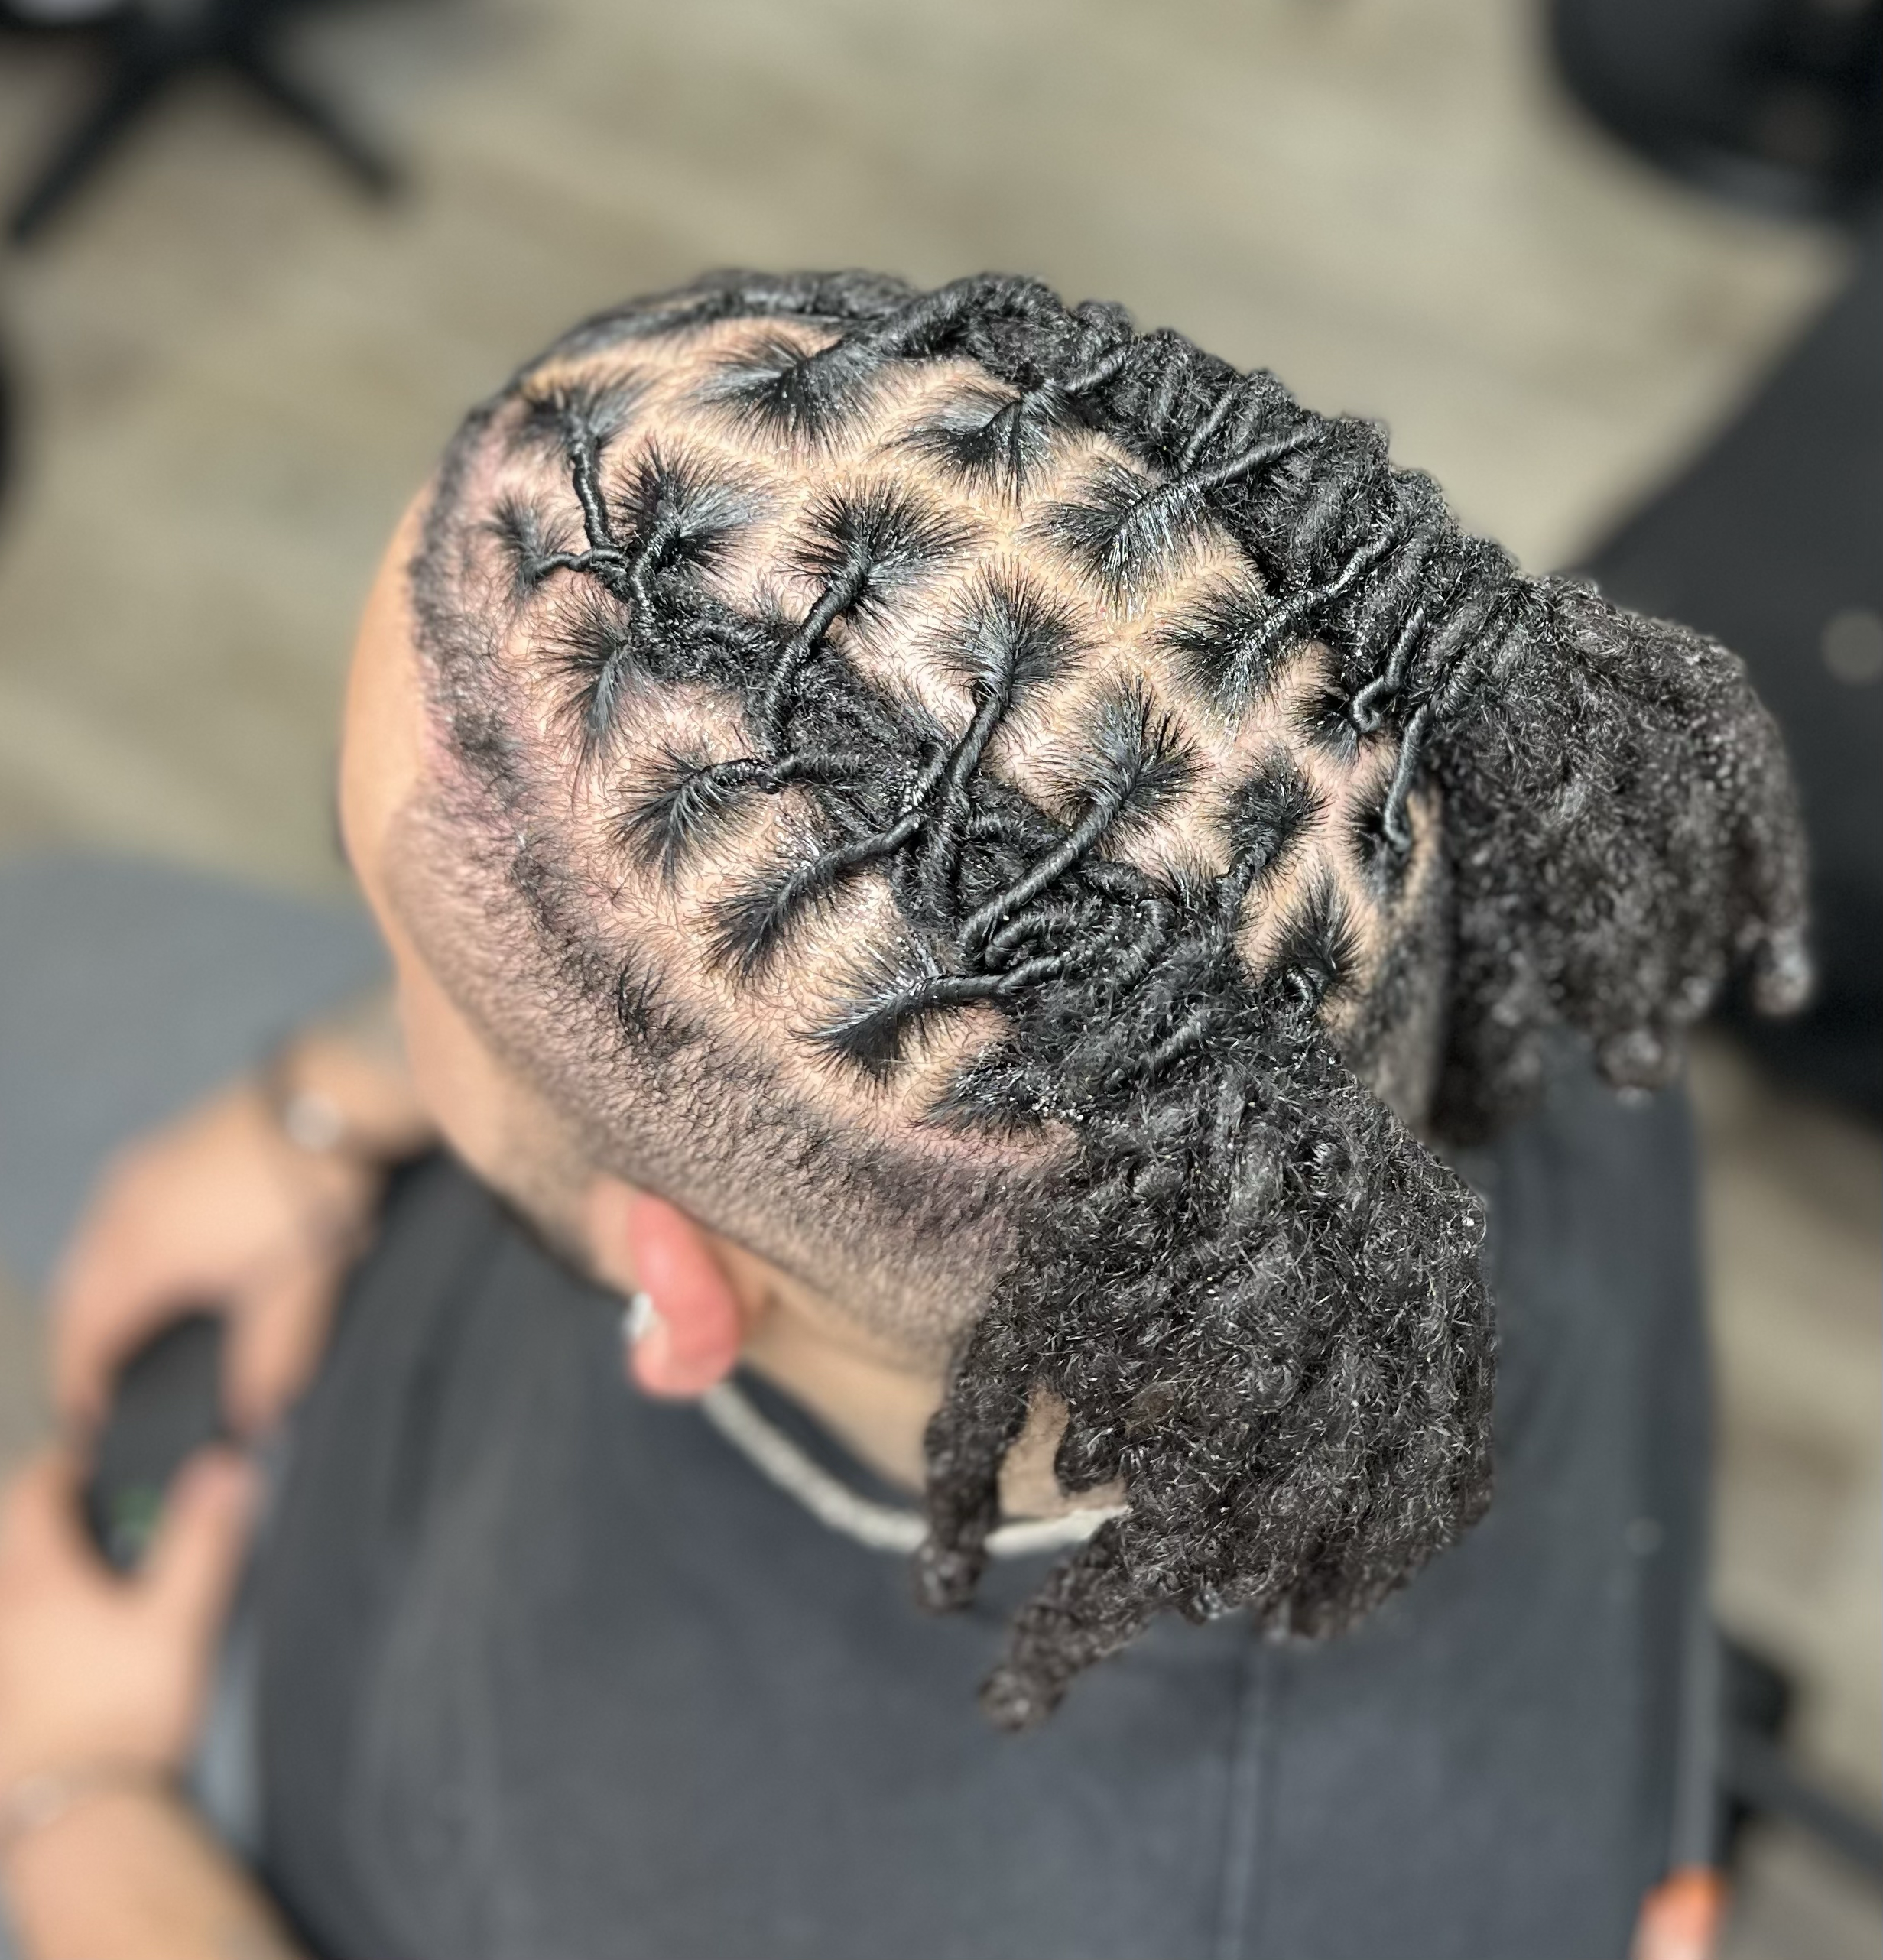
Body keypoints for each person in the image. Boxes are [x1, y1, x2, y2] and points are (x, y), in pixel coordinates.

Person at [0, 270, 1808, 1960]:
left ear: (685, 1292)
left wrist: (74, 1797)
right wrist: (314, 1113)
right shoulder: (1490, 946)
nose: (385, 1000)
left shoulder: (666, 1866)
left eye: (408, 964)